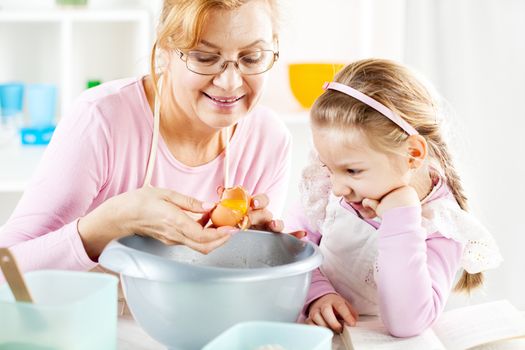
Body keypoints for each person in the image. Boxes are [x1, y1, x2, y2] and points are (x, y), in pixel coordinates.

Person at [0, 0, 291, 280]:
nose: (230, 82)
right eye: (204, 57)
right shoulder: (100, 121)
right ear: (165, 50)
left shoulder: (269, 140)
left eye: (251, 58)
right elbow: (5, 269)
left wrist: (261, 250)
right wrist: (105, 227)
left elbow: (243, 282)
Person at [286, 59, 502, 337]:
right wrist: (317, 294)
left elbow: (408, 322)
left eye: (353, 170)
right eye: (329, 167)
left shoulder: (441, 223)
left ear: (412, 154)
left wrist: (401, 217)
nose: (337, 188)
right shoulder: (326, 184)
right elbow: (291, 248)